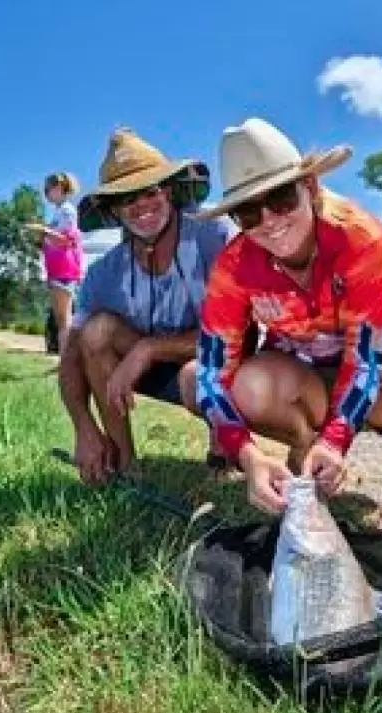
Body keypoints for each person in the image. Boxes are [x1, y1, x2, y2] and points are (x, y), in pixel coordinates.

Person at [194, 117, 382, 539]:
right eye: (248, 212)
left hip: (377, 387)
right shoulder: (233, 266)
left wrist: (336, 439)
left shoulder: (362, 239)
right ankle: (303, 451)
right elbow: (209, 372)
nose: (270, 222)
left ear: (310, 188)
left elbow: (366, 357)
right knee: (249, 384)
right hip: (301, 383)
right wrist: (248, 456)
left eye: (280, 198)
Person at [57, 127, 240, 484]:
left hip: (218, 360)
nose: (141, 206)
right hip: (147, 371)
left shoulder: (214, 235)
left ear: (169, 192)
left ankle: (227, 448)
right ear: (113, 210)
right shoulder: (101, 274)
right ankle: (125, 464)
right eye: (127, 198)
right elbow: (71, 359)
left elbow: (236, 334)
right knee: (95, 333)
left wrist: (150, 347)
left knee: (210, 365)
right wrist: (83, 427)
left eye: (150, 191)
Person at [27, 172, 86, 356]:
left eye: (48, 189)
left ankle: (68, 362)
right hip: (56, 270)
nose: (45, 193)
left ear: (59, 188)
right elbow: (54, 241)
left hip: (64, 270)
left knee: (64, 318)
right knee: (61, 319)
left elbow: (66, 241)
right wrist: (41, 238)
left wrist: (43, 230)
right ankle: (65, 361)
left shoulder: (67, 210)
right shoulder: (59, 212)